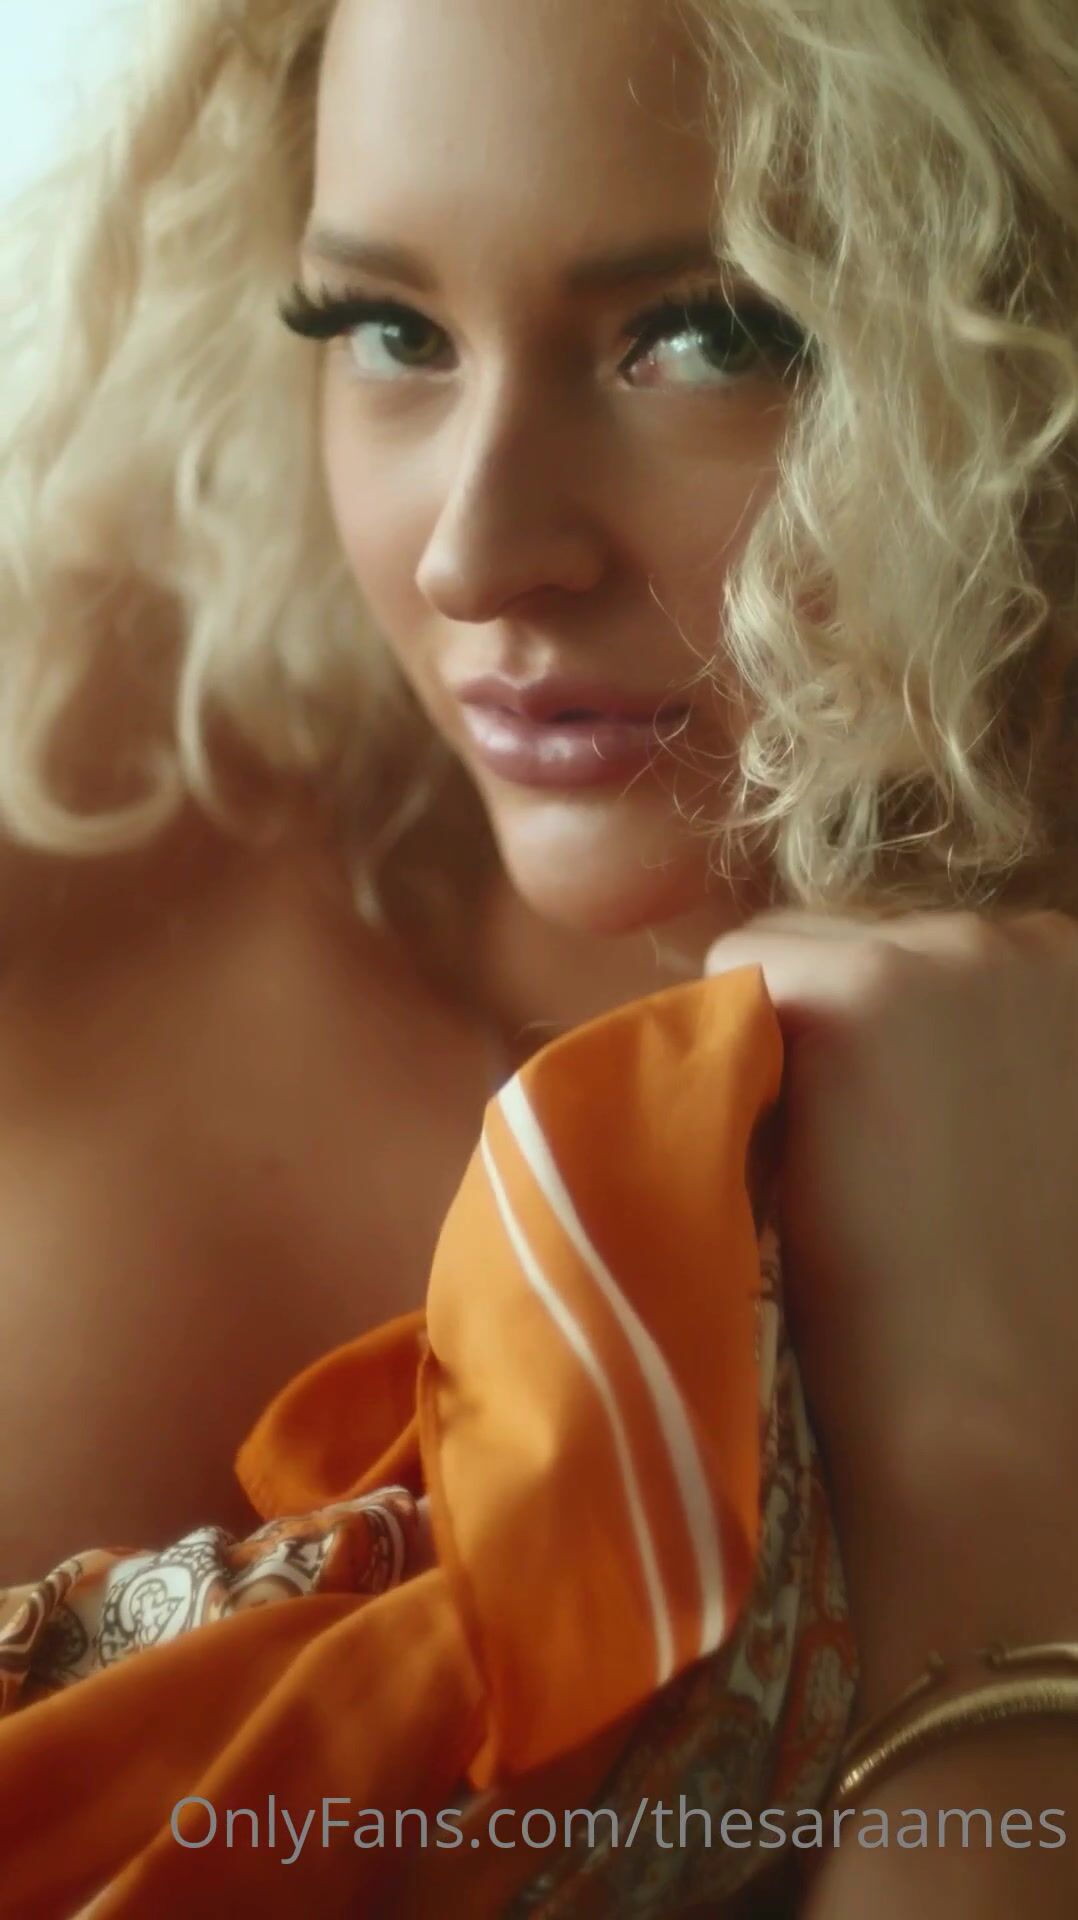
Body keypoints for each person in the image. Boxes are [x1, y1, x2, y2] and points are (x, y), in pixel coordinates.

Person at [0, 0, 1075, 1913]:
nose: (472, 555)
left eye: (710, 336)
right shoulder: (72, 798)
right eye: (387, 331)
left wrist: (979, 1484)